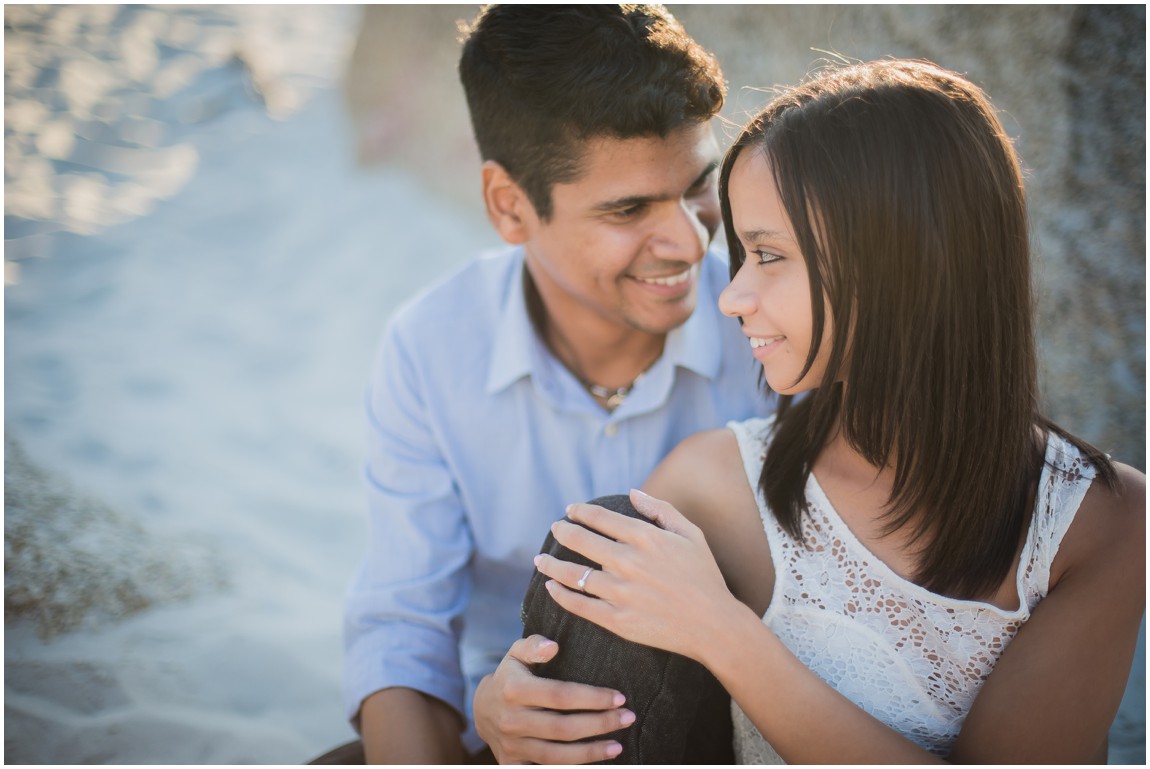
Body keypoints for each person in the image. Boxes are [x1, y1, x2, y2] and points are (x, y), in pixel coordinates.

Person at [527, 59, 1146, 762]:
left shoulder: (1101, 523)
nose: (731, 296)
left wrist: (724, 632)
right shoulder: (711, 488)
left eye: (767, 254)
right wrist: (502, 715)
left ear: (899, 262)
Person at [332, 5, 771, 763]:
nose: (690, 239)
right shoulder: (430, 349)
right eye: (629, 208)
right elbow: (404, 632)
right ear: (509, 205)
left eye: (699, 185)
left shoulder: (771, 331)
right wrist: (484, 709)